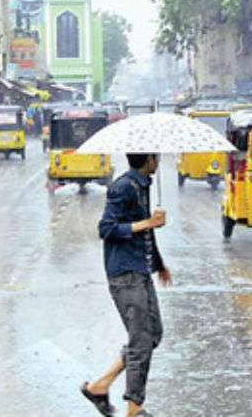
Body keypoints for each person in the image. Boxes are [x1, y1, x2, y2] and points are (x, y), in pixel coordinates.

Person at [84, 153, 171, 417]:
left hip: (140, 270)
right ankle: (134, 407)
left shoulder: (142, 186)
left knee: (153, 334)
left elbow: (144, 233)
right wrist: (148, 222)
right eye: (156, 156)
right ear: (149, 160)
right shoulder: (123, 187)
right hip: (124, 273)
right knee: (142, 339)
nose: (159, 161)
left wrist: (159, 264)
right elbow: (106, 228)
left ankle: (99, 386)